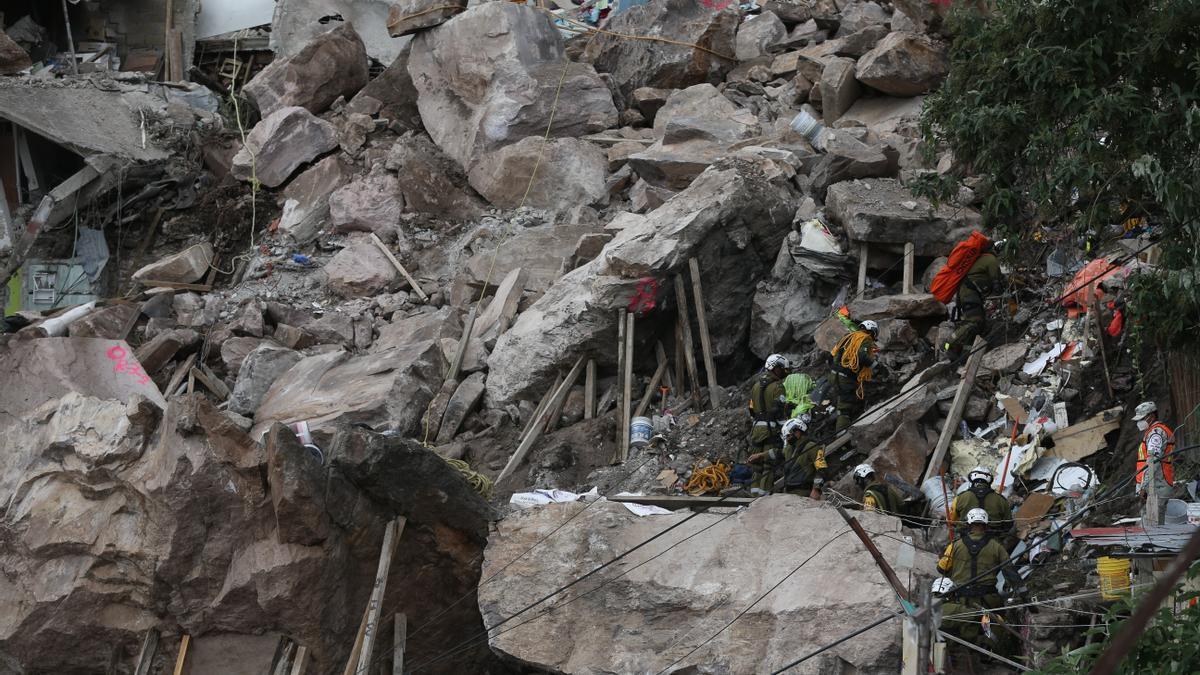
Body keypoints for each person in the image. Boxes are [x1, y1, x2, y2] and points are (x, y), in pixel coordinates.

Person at [936, 509, 1022, 612]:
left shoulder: (955, 546)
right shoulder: (997, 547)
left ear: (968, 524)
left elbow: (941, 568)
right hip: (989, 601)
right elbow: (1010, 571)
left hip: (962, 601)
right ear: (986, 525)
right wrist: (1024, 595)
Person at [945, 240, 1003, 359]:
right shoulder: (990, 259)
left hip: (967, 293)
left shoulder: (982, 259)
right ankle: (948, 344)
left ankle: (965, 352)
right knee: (974, 321)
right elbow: (996, 281)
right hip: (969, 293)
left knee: (979, 324)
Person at [749, 417, 826, 499]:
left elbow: (822, 469)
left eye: (789, 436)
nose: (787, 439)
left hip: (805, 492)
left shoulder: (812, 447)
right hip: (789, 491)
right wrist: (760, 455)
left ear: (797, 432)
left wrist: (816, 489)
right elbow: (778, 453)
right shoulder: (790, 448)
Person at [747, 354, 789, 495]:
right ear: (775, 368)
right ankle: (763, 500)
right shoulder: (778, 387)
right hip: (771, 430)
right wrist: (785, 432)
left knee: (757, 467)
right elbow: (779, 412)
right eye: (782, 369)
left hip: (756, 429)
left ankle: (753, 497)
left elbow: (751, 410)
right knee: (768, 466)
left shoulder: (755, 386)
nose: (784, 372)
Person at [829, 320, 878, 432]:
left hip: (834, 374)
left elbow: (833, 354)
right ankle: (841, 437)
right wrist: (876, 366)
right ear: (872, 331)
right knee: (845, 407)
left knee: (842, 400)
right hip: (845, 377)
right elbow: (861, 355)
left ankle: (835, 419)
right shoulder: (865, 339)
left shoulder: (848, 337)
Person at [1133, 401, 1175, 526]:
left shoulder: (1156, 434)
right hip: (1155, 485)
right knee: (1153, 523)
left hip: (1156, 487)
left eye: (1141, 419)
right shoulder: (1152, 432)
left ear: (1150, 416)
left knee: (1152, 527)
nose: (1138, 422)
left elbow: (1152, 463)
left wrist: (1144, 487)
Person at [952, 467, 1014, 541]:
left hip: (965, 539)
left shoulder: (959, 498)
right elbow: (1008, 524)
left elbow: (952, 520)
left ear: (972, 479)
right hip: (993, 541)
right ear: (989, 481)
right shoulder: (1001, 500)